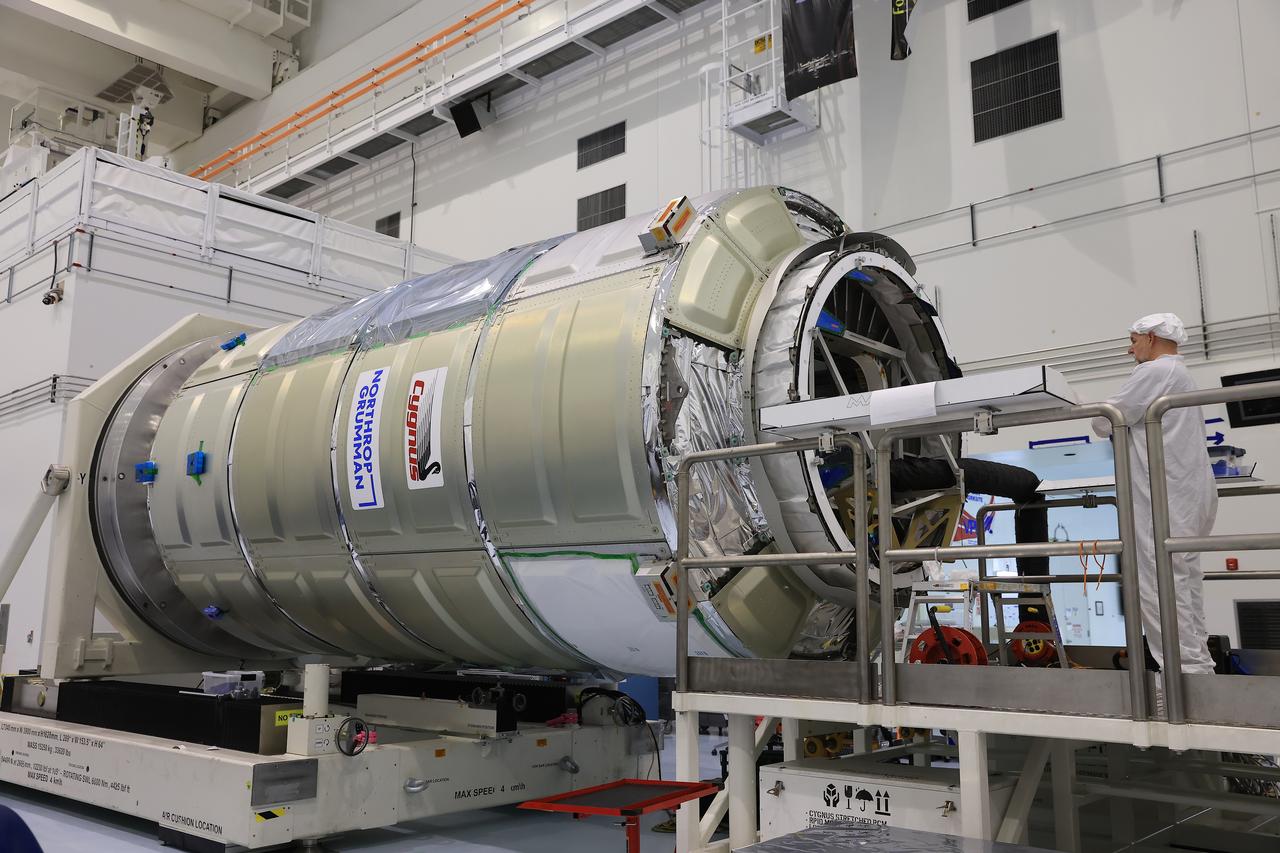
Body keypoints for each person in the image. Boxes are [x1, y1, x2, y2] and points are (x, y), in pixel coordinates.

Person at [1091, 313, 1217, 675]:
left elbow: (1103, 421)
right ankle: (1200, 671)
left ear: (1149, 337)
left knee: (1159, 586)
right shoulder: (1181, 372)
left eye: (1133, 340)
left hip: (1162, 498)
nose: (1130, 349)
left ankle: (1184, 681)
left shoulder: (1154, 373)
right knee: (1184, 582)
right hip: (1187, 493)